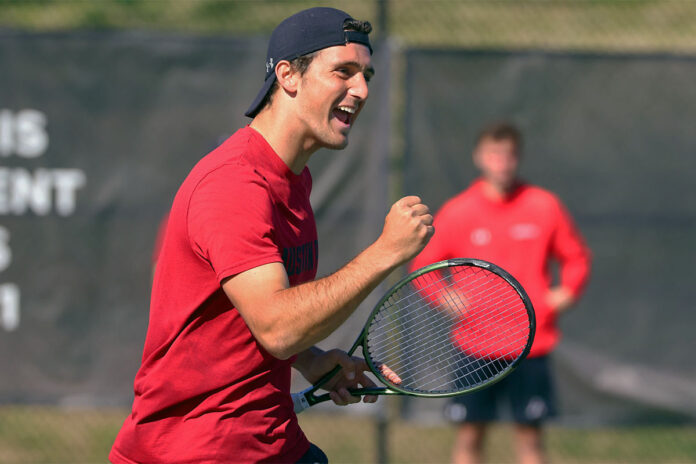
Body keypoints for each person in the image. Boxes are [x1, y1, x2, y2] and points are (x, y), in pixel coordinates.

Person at [109, 7, 434, 464]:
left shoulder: (292, 178)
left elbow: (248, 317)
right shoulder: (233, 185)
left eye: (367, 75)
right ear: (288, 75)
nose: (361, 90)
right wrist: (385, 253)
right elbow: (277, 327)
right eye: (343, 71)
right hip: (194, 452)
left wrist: (312, 359)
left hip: (270, 442)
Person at [410, 122, 591, 464]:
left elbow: (576, 257)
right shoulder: (459, 210)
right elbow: (424, 266)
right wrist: (445, 297)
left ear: (518, 159)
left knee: (530, 441)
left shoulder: (544, 206)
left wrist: (565, 293)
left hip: (530, 344)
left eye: (508, 155)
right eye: (494, 154)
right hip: (474, 345)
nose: (501, 163)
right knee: (469, 438)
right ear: (479, 157)